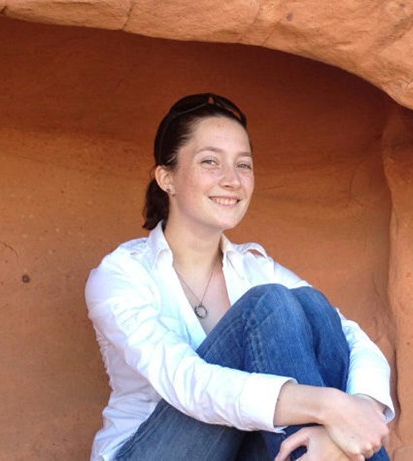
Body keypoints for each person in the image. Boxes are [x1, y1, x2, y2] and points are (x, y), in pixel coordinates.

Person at [85, 93, 395, 461]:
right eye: (210, 162)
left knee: (311, 306)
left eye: (243, 165)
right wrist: (327, 406)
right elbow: (190, 385)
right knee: (270, 303)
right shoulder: (122, 275)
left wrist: (358, 407)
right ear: (166, 177)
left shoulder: (254, 267)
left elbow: (353, 339)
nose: (232, 180)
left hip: (245, 451)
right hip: (152, 452)